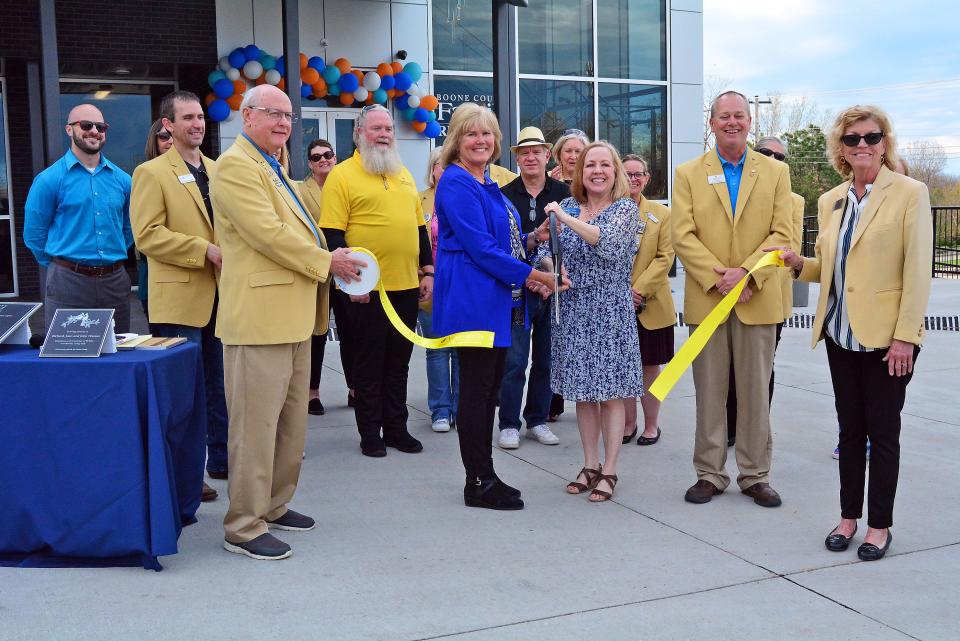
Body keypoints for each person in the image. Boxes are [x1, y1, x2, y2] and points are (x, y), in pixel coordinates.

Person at [210, 84, 365, 560]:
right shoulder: (236, 166)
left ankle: (274, 505)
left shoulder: (273, 166)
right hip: (259, 320)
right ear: (246, 115)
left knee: (289, 426)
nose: (282, 123)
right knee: (255, 429)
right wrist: (328, 262)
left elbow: (296, 229)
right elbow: (268, 235)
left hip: (294, 318)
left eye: (288, 116)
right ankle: (243, 524)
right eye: (271, 114)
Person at [772, 105, 932, 561]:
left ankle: (878, 525)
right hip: (841, 334)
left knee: (883, 434)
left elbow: (917, 271)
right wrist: (800, 264)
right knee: (849, 431)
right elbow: (836, 268)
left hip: (888, 340)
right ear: (840, 148)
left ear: (885, 142)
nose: (862, 145)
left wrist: (906, 335)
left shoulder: (909, 193)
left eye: (871, 136)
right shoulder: (832, 200)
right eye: (852, 139)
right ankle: (848, 517)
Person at [433, 102, 559, 510]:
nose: (481, 140)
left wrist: (532, 237)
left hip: (494, 301)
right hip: (473, 302)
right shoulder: (456, 182)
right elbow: (481, 249)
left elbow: (502, 241)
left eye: (487, 133)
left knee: (487, 391)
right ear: (456, 140)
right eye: (471, 134)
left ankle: (485, 473)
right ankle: (477, 481)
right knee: (476, 392)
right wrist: (534, 276)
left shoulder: (485, 182)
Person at [672, 90, 793, 508]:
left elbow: (783, 234)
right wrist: (717, 277)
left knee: (756, 391)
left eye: (739, 115)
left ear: (749, 121)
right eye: (724, 116)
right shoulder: (688, 173)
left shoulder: (776, 173)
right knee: (709, 391)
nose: (732, 122)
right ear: (712, 123)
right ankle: (709, 473)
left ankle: (755, 474)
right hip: (709, 299)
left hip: (757, 299)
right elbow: (681, 234)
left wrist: (746, 274)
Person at [130, 91, 227, 505]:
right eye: (188, 117)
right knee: (184, 395)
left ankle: (221, 461)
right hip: (179, 301)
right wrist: (203, 250)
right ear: (167, 124)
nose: (197, 124)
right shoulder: (151, 173)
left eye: (201, 117)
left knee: (219, 388)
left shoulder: (219, 170)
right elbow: (147, 236)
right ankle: (185, 475)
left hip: (222, 298)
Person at [533, 141, 642, 503]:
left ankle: (610, 469)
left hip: (609, 311)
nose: (597, 171)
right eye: (590, 165)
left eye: (604, 165)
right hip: (573, 310)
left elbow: (607, 244)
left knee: (610, 394)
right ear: (580, 172)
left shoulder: (624, 209)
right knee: (582, 394)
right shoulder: (566, 205)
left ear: (615, 173)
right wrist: (551, 269)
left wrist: (565, 220)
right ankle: (589, 463)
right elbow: (546, 254)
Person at [320, 105, 433, 458]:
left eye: (389, 129)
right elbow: (332, 233)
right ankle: (370, 433)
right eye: (376, 128)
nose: (384, 134)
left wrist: (427, 271)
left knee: (399, 363)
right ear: (359, 133)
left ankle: (397, 429)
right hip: (366, 290)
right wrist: (352, 285)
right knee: (369, 364)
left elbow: (419, 229)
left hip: (405, 285)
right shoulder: (342, 175)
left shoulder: (401, 174)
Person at [24, 104, 134, 333]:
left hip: (114, 282)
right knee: (69, 356)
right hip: (68, 283)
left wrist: (112, 255)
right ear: (69, 130)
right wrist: (61, 266)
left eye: (101, 126)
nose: (95, 131)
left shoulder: (123, 181)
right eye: (86, 125)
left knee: (118, 355)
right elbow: (34, 235)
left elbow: (129, 225)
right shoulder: (49, 180)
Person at [724, 137, 804, 449]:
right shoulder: (730, 191)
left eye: (779, 156)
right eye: (765, 153)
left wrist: (749, 276)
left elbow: (788, 248)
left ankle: (755, 431)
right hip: (726, 288)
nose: (772, 158)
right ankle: (730, 428)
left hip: (767, 293)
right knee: (727, 367)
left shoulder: (793, 201)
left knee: (761, 370)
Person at [497, 126, 570, 449]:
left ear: (546, 155)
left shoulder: (564, 193)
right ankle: (509, 423)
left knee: (546, 359)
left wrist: (551, 279)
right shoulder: (505, 193)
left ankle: (537, 420)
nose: (530, 157)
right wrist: (531, 276)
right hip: (518, 289)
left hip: (554, 289)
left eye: (535, 151)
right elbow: (504, 244)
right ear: (517, 158)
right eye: (523, 153)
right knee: (514, 360)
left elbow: (571, 240)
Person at [621, 154, 675, 447]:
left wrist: (638, 290)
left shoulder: (661, 214)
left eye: (638, 174)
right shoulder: (608, 210)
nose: (633, 178)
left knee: (649, 368)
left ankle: (652, 425)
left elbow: (665, 257)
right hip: (614, 305)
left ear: (647, 178)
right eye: (627, 173)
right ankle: (627, 425)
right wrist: (620, 293)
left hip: (650, 305)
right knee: (623, 368)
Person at [299, 138, 353, 417]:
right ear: (310, 163)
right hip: (318, 273)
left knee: (351, 332)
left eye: (327, 154)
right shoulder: (300, 191)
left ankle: (355, 389)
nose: (323, 159)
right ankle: (312, 393)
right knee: (317, 334)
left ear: (335, 157)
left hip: (345, 270)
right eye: (316, 156)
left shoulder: (346, 183)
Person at [418, 149, 459, 433]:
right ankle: (440, 410)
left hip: (460, 283)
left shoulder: (463, 196)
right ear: (431, 170)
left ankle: (460, 407)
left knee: (460, 350)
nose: (443, 171)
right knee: (436, 348)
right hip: (431, 282)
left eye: (449, 165)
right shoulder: (419, 199)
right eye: (439, 166)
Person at [135, 120, 175, 320]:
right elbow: (141, 232)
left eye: (174, 135)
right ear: (154, 140)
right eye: (164, 136)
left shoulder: (205, 172)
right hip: (157, 277)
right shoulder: (147, 173)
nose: (170, 141)